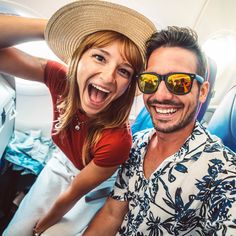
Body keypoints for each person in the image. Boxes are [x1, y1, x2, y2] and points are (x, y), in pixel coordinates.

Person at [0, 1, 156, 235]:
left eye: (124, 71)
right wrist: (52, 28)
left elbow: (74, 192)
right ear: (78, 57)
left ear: (128, 86)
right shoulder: (60, 79)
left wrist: (43, 225)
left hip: (95, 185)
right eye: (100, 58)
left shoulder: (117, 140)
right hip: (60, 162)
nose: (108, 76)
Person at [84, 26, 236, 235]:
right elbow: (112, 212)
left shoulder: (223, 173)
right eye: (150, 81)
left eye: (179, 82)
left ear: (202, 92)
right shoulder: (136, 144)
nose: (161, 95)